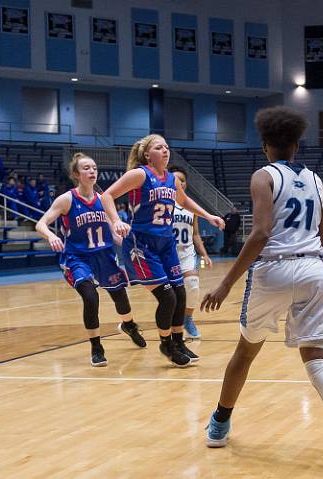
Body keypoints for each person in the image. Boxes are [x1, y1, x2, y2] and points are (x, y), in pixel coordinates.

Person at [200, 106, 323, 475]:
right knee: (317, 361)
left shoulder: (263, 176)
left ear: (265, 146)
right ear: (296, 145)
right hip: (312, 269)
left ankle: (219, 424)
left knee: (246, 352)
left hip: (272, 270)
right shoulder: (316, 180)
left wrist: (227, 283)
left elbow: (261, 233)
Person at [100, 134, 224, 367]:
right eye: (159, 147)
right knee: (167, 296)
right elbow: (106, 195)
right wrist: (115, 220)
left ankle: (178, 341)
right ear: (147, 154)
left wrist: (208, 215)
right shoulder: (139, 174)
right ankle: (166, 344)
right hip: (142, 244)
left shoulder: (171, 179)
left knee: (181, 293)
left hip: (166, 243)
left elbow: (185, 201)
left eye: (167, 147)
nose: (166, 150)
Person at [35, 153, 146, 366]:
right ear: (76, 174)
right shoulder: (67, 199)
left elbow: (113, 232)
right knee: (90, 297)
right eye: (86, 168)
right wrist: (50, 235)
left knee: (120, 298)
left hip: (104, 256)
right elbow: (41, 223)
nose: (92, 171)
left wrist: (127, 240)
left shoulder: (104, 200)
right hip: (78, 258)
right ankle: (96, 347)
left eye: (94, 167)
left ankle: (129, 325)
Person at [170, 165, 214, 339]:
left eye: (182, 179)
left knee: (193, 285)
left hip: (187, 251)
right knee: (172, 293)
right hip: (168, 253)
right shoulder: (163, 203)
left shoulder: (190, 206)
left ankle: (187, 317)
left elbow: (195, 234)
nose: (179, 182)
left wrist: (204, 254)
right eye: (175, 179)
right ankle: (173, 325)